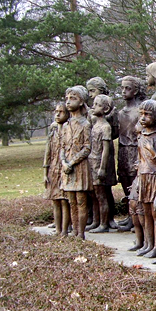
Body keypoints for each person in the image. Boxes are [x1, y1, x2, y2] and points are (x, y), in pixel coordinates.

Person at [135, 100, 156, 258]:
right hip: (143, 177)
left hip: (155, 177)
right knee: (145, 212)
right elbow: (139, 158)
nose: (143, 118)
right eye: (141, 114)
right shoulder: (140, 136)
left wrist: (153, 151)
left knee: (155, 214)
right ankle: (148, 243)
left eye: (147, 115)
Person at [60, 85, 92, 240]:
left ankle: (81, 233)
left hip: (79, 168)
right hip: (67, 168)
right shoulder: (65, 125)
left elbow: (87, 148)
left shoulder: (85, 124)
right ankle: (74, 231)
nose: (68, 102)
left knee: (81, 201)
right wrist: (63, 162)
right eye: (67, 98)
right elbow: (61, 146)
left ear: (81, 102)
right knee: (71, 201)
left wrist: (71, 162)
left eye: (72, 98)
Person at [117, 76, 147, 232]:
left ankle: (137, 216)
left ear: (135, 90)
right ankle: (130, 216)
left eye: (127, 88)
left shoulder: (140, 110)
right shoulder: (121, 112)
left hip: (135, 149)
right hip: (122, 150)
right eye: (122, 88)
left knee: (134, 184)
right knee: (124, 181)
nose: (123, 91)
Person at [88, 95, 118, 233]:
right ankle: (96, 221)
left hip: (100, 163)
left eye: (97, 104)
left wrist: (102, 168)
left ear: (105, 109)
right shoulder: (95, 124)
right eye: (93, 104)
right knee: (94, 195)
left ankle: (104, 223)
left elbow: (106, 150)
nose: (93, 107)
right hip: (92, 161)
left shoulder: (105, 127)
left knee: (102, 195)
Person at [43, 102, 70, 236]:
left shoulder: (68, 129)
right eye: (56, 111)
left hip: (64, 168)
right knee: (55, 201)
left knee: (65, 201)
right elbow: (47, 152)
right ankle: (58, 229)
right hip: (53, 168)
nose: (57, 114)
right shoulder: (53, 129)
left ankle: (65, 230)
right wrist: (45, 172)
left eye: (61, 112)